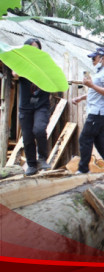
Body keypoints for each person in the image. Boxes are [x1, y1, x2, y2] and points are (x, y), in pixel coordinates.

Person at [72, 47, 104, 173]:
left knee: (84, 138)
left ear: (102, 58)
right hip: (98, 110)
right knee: (99, 140)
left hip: (99, 112)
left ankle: (83, 169)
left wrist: (91, 85)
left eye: (94, 58)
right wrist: (81, 97)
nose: (92, 61)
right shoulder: (99, 72)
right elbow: (96, 92)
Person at [12, 38, 51, 176]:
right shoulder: (22, 64)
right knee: (27, 137)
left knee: (39, 130)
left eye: (37, 48)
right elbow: (15, 74)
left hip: (41, 105)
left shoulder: (45, 63)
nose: (35, 51)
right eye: (32, 48)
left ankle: (42, 158)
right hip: (26, 107)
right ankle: (32, 165)